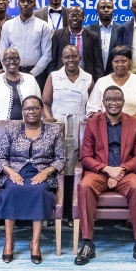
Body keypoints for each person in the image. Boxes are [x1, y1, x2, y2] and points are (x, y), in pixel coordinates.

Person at [75, 86, 136, 267]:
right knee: (84, 186)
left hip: (126, 172)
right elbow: (85, 157)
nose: (113, 103)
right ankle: (87, 243)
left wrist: (120, 171)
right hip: (100, 172)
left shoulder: (134, 124)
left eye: (117, 99)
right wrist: (107, 170)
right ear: (103, 102)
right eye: (109, 99)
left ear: (123, 102)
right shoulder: (93, 124)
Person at [0, 96, 66, 264]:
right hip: (16, 171)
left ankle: (35, 242)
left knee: (38, 191)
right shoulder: (12, 129)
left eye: (35, 108)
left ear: (42, 110)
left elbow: (61, 158)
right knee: (11, 190)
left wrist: (47, 172)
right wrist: (10, 172)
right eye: (27, 109)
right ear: (22, 111)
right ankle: (9, 241)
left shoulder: (53, 130)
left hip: (41, 172)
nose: (31, 112)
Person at [42, 44, 93, 178]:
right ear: (62, 60)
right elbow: (45, 103)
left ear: (79, 58)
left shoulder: (88, 78)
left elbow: (94, 104)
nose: (71, 60)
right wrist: (48, 118)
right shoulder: (53, 76)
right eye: (67, 57)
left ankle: (73, 188)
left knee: (78, 155)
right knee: (58, 155)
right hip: (58, 121)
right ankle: (58, 189)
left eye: (74, 56)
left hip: (80, 121)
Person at [0, 47, 41, 149]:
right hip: (0, 131)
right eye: (8, 59)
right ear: (3, 62)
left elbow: (39, 106)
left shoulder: (30, 79)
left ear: (19, 61)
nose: (12, 61)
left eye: (15, 58)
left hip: (27, 131)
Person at [0, 0, 53, 89]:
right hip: (11, 72)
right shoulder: (8, 25)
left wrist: (33, 73)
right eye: (22, 1)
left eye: (29, 2)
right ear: (18, 3)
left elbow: (47, 54)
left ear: (35, 4)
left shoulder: (43, 26)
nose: (26, 4)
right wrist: (8, 70)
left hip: (36, 74)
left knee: (34, 103)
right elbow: (3, 50)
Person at [86, 46, 136, 122]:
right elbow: (92, 109)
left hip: (133, 126)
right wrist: (111, 123)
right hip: (106, 127)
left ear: (130, 62)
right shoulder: (101, 81)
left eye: (123, 61)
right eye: (116, 61)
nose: (120, 65)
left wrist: (126, 123)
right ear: (112, 63)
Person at [50, 6, 101, 81]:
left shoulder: (93, 36)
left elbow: (98, 63)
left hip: (86, 79)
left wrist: (98, 81)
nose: (74, 18)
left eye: (77, 15)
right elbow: (53, 61)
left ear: (83, 18)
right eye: (72, 15)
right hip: (62, 79)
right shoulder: (58, 35)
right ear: (68, 17)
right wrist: (52, 79)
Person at [86, 0, 120, 77]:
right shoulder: (88, 30)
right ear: (97, 11)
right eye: (102, 7)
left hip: (115, 74)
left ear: (113, 11)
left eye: (109, 7)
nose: (106, 10)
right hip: (94, 75)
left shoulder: (121, 29)